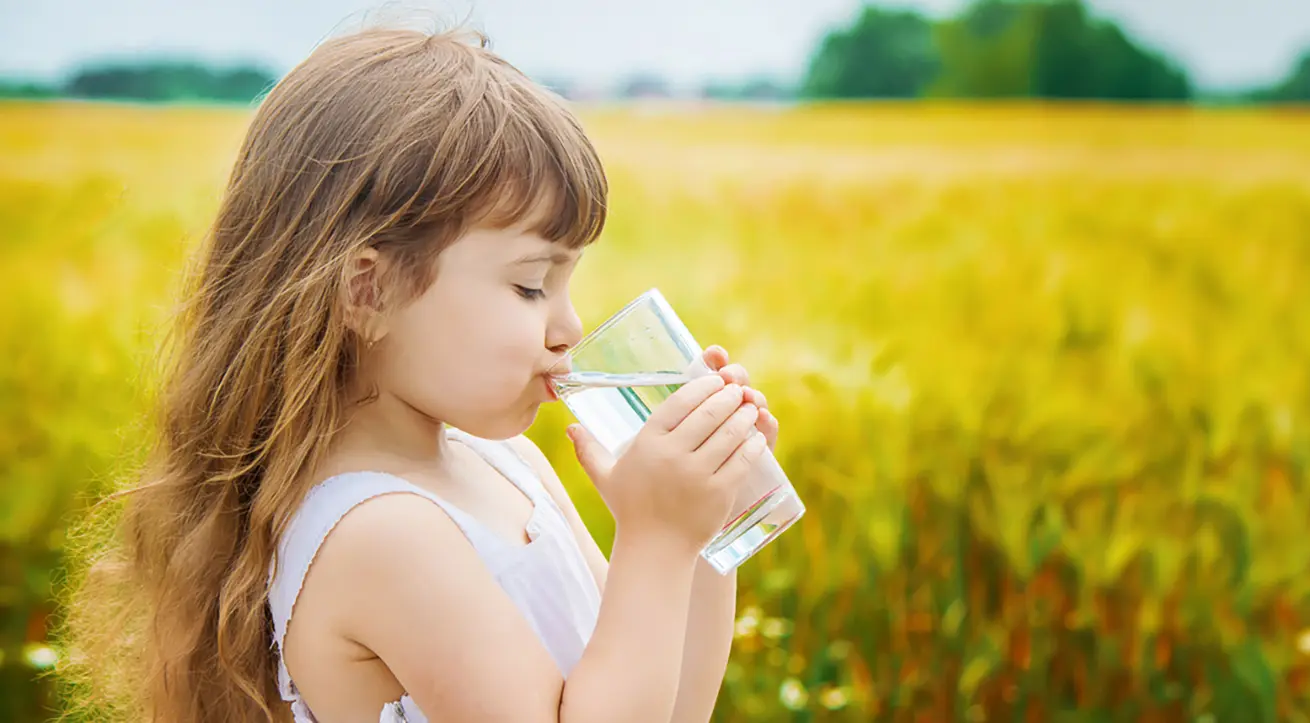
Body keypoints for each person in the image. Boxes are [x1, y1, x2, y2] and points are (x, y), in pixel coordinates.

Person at [60, 22, 781, 723]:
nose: (570, 329)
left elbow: (671, 707)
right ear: (369, 292)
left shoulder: (508, 463)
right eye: (532, 285)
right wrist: (654, 541)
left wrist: (706, 532)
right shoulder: (381, 534)